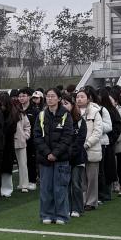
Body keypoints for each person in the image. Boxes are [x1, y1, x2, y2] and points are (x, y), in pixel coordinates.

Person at [32, 88, 73, 225]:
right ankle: (46, 214)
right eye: (48, 96)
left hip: (61, 158)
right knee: (46, 188)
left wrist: (55, 153)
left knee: (60, 187)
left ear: (59, 98)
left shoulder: (66, 115)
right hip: (45, 159)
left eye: (52, 96)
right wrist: (47, 153)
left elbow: (67, 137)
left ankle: (61, 215)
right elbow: (37, 136)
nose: (49, 98)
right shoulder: (41, 115)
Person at [78, 89, 104, 214]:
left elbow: (98, 131)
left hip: (91, 148)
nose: (79, 99)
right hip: (78, 149)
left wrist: (87, 144)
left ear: (88, 99)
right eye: (77, 97)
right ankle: (82, 201)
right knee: (81, 177)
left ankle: (91, 202)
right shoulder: (74, 111)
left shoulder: (95, 112)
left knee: (92, 177)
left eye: (82, 97)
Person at [11, 94, 32, 192]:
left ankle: (24, 185)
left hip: (20, 141)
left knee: (23, 164)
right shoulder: (6, 113)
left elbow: (27, 126)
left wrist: (25, 136)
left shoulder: (21, 113)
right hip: (9, 142)